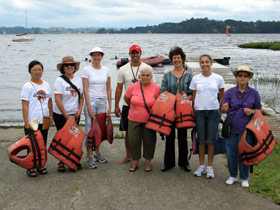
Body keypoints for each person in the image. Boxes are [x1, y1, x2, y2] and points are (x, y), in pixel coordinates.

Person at [221, 65, 261, 187]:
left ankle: (244, 177)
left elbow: (258, 110)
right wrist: (223, 108)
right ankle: (233, 175)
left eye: (245, 75)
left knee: (245, 153)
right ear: (236, 77)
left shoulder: (254, 93)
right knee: (231, 153)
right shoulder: (229, 92)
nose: (242, 78)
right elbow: (223, 110)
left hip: (247, 130)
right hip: (231, 128)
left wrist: (252, 112)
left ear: (249, 77)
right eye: (240, 75)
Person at [115, 44, 155, 164]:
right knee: (129, 133)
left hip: (145, 106)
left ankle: (147, 158)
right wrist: (116, 105)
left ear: (140, 54)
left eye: (137, 53)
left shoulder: (147, 68)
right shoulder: (123, 69)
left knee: (147, 134)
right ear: (129, 54)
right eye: (133, 53)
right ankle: (129, 155)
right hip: (129, 105)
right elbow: (119, 88)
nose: (135, 55)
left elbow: (154, 87)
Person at [190, 54, 225, 178]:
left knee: (211, 141)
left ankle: (210, 167)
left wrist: (220, 108)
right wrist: (194, 109)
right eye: (202, 62)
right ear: (200, 64)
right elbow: (194, 96)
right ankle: (201, 166)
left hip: (213, 112)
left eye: (206, 62)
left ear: (211, 63)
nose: (204, 64)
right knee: (201, 140)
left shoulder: (218, 78)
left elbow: (221, 95)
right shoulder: (195, 79)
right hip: (199, 112)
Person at [160, 46, 193, 172]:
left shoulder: (189, 76)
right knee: (169, 136)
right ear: (171, 60)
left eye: (179, 57)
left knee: (183, 137)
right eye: (174, 58)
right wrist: (172, 100)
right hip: (169, 109)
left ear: (182, 59)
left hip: (183, 109)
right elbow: (162, 92)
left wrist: (182, 100)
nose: (177, 60)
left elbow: (191, 93)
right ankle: (168, 162)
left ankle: (184, 162)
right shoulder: (167, 75)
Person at [21, 60, 53, 177]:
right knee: (32, 144)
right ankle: (30, 167)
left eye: (39, 69)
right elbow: (25, 105)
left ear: (42, 71)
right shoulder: (27, 86)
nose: (37, 72)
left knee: (42, 143)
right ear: (30, 71)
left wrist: (50, 117)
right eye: (34, 70)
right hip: (32, 120)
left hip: (44, 119)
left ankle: (40, 165)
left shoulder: (46, 85)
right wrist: (26, 122)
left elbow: (49, 102)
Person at [124, 68, 160, 172]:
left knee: (149, 141)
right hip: (133, 118)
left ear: (151, 77)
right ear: (140, 76)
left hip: (149, 120)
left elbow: (159, 103)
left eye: (147, 75)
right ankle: (135, 161)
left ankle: (148, 161)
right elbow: (126, 98)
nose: (145, 77)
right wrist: (134, 107)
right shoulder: (133, 87)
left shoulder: (156, 88)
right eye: (143, 75)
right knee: (133, 140)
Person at [53, 56, 84, 172]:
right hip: (61, 114)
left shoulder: (78, 80)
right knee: (63, 138)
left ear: (75, 67)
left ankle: (73, 159)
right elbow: (57, 100)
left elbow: (81, 98)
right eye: (67, 65)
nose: (70, 67)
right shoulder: (59, 81)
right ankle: (61, 161)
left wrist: (80, 109)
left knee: (74, 138)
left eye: (72, 65)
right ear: (63, 68)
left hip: (75, 114)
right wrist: (66, 116)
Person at [83, 47, 112, 169]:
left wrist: (110, 105)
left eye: (98, 55)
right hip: (91, 101)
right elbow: (85, 89)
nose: (96, 57)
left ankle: (97, 153)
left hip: (102, 102)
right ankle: (89, 157)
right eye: (94, 55)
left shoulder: (106, 70)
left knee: (100, 129)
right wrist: (89, 107)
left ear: (102, 57)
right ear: (91, 57)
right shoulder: (87, 70)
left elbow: (109, 88)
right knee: (90, 129)